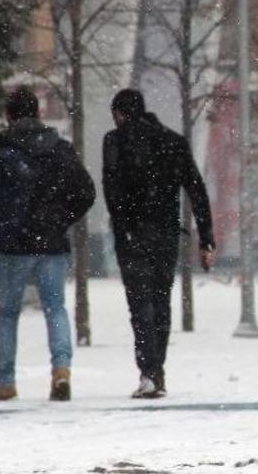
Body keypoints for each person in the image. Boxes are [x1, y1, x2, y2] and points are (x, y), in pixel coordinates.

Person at [0, 86, 95, 401]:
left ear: (8, 115)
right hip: (51, 243)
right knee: (55, 307)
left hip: (12, 244)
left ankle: (5, 381)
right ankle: (62, 370)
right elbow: (86, 191)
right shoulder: (59, 148)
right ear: (38, 113)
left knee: (7, 312)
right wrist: (61, 219)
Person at [102, 89, 216, 399]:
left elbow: (111, 189)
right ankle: (157, 370)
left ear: (120, 114)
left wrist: (123, 227)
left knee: (140, 306)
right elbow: (197, 190)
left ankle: (148, 371)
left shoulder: (115, 142)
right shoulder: (173, 142)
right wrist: (206, 238)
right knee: (160, 302)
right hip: (166, 235)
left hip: (133, 236)